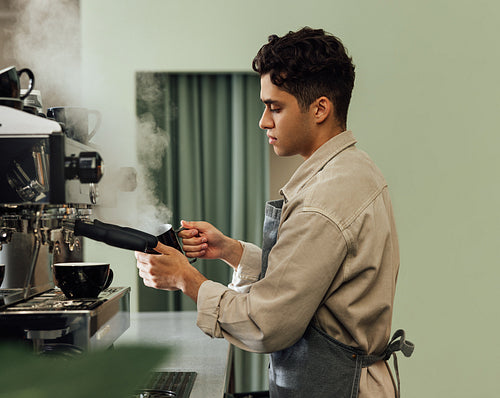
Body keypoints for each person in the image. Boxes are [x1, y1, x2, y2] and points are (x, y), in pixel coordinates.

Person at [135, 27, 413, 398]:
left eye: (275, 107)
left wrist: (187, 279)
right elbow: (312, 280)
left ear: (320, 108)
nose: (264, 121)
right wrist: (232, 251)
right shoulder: (354, 169)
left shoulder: (324, 200)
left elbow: (267, 322)